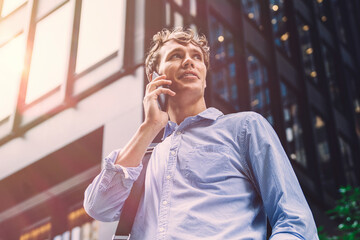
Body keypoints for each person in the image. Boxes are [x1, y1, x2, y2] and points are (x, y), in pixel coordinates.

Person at [84, 27, 319, 239]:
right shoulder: (141, 161)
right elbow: (99, 207)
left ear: (205, 78)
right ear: (154, 77)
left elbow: (295, 220)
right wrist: (149, 128)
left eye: (197, 57)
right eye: (176, 55)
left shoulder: (245, 128)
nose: (189, 61)